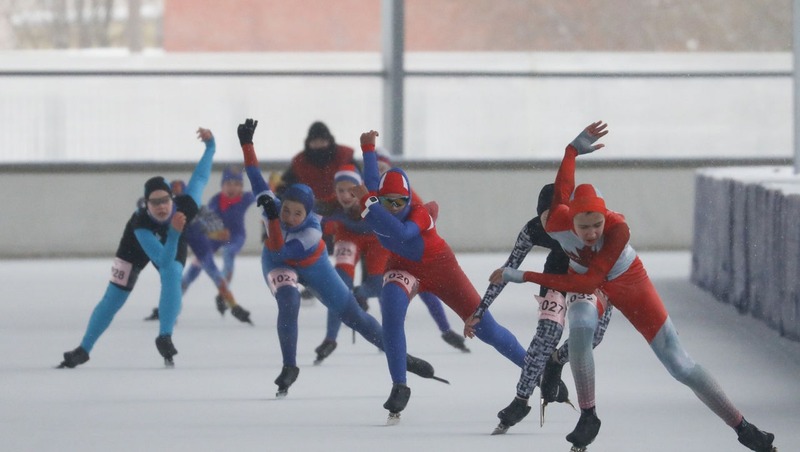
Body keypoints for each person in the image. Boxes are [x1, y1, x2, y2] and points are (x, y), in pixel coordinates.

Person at [495, 120, 776, 452]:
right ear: (565, 219)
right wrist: (571, 151)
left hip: (625, 280)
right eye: (583, 227)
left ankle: (743, 428)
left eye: (597, 225)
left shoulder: (618, 230)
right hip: (590, 280)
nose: (591, 234)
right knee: (582, 329)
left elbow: (587, 281)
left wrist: (526, 276)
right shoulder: (554, 220)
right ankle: (589, 416)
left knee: (679, 364)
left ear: (606, 219)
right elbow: (563, 181)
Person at [236, 118, 445, 398]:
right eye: (286, 211)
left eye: (297, 214)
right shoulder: (271, 206)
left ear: (307, 214)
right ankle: (290, 365)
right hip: (276, 263)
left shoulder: (311, 231)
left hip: (311, 263)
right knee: (288, 299)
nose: (289, 217)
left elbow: (282, 247)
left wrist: (274, 223)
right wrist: (247, 144)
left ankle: (400, 356)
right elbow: (254, 174)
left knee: (354, 316)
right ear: (280, 203)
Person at [353, 130, 527, 421]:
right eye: (388, 202)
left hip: (442, 269)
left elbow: (402, 232)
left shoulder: (417, 213)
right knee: (392, 313)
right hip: (405, 267)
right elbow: (371, 179)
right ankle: (399, 385)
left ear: (409, 200)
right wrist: (367, 147)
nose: (394, 208)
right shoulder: (374, 200)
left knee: (487, 331)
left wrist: (372, 204)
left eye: (400, 202)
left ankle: (536, 369)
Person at [57, 127, 216, 368]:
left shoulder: (186, 205)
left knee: (173, 274)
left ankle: (164, 336)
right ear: (146, 204)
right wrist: (173, 233)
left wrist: (211, 146)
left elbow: (201, 177)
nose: (161, 207)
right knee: (114, 298)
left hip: (173, 236)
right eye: (155, 203)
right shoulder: (140, 223)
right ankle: (84, 349)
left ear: (173, 199)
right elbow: (161, 259)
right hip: (138, 245)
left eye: (165, 201)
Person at [466, 183, 613, 434]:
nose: (553, 225)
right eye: (547, 219)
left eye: (558, 218)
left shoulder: (588, 222)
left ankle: (556, 360)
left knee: (590, 338)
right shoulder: (533, 229)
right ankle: (521, 400)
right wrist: (480, 310)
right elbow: (507, 269)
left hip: (590, 278)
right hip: (556, 274)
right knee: (546, 334)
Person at [313, 164, 469, 364]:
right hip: (348, 237)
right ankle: (331, 338)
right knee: (340, 283)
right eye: (340, 190)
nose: (345, 196)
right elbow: (304, 205)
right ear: (334, 191)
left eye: (350, 190)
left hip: (380, 240)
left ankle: (445, 329)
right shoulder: (332, 205)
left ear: (361, 186)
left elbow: (417, 210)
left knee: (399, 283)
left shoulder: (377, 196)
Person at [143, 178, 253, 324]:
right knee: (182, 279)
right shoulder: (171, 213)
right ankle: (169, 309)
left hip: (200, 248)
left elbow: (215, 226)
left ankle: (233, 306)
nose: (179, 204)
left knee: (193, 277)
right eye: (174, 199)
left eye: (182, 198)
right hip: (186, 247)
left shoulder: (196, 210)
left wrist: (216, 233)